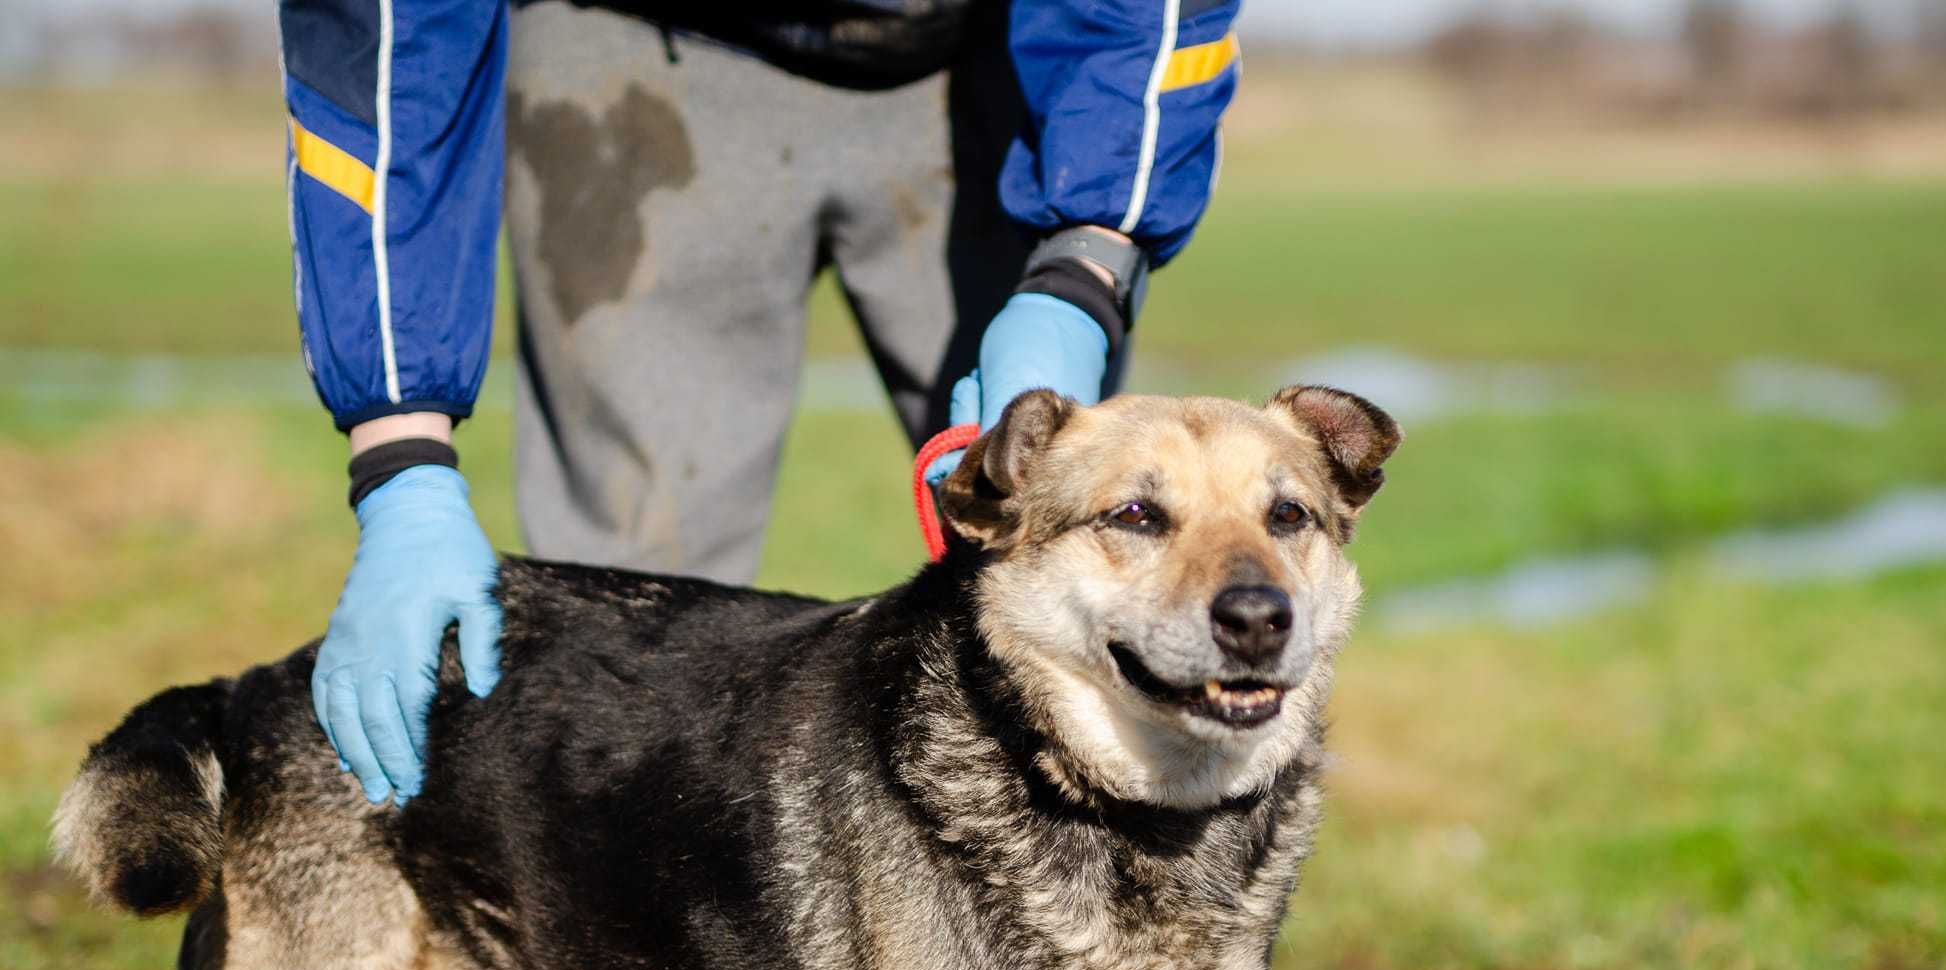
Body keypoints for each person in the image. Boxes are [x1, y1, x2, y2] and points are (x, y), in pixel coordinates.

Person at [282, 0, 1239, 795]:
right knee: (627, 640)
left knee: (1061, 589)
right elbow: (387, 41)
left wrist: (1085, 263)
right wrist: (399, 446)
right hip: (640, 60)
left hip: (995, 71)